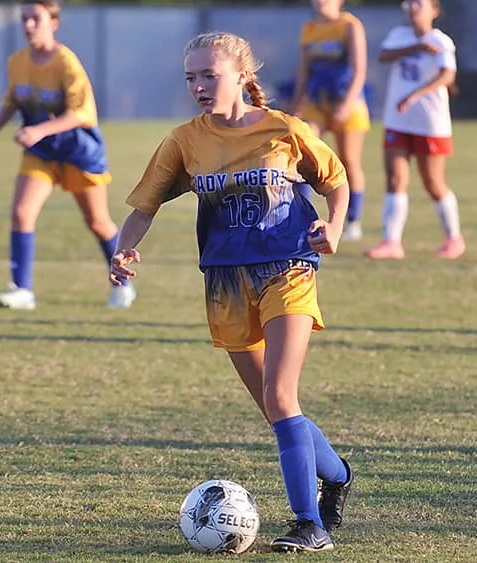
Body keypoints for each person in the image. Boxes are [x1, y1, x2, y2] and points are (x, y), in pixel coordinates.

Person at [109, 31, 353, 553]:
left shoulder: (284, 129)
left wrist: (333, 226)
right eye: (191, 78)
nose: (198, 86)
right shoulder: (184, 140)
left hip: (287, 268)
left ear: (242, 75)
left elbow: (336, 180)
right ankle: (337, 474)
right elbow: (144, 206)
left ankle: (309, 524)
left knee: (280, 395)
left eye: (209, 75)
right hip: (224, 282)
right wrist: (123, 248)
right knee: (277, 409)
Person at [0, 0, 135, 310]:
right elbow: (11, 102)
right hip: (42, 153)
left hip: (78, 150)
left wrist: (39, 131)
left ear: (54, 22)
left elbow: (82, 113)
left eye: (35, 18)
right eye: (24, 19)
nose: (28, 25)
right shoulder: (18, 62)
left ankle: (123, 284)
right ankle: (22, 290)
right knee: (22, 213)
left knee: (98, 222)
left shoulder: (65, 62)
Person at [365, 0, 464, 260]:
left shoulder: (442, 41)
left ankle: (454, 238)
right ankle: (391, 242)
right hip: (398, 119)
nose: (411, 8)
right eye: (408, 4)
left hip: (430, 122)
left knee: (432, 182)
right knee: (395, 179)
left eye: (419, 4)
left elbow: (447, 76)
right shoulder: (400, 36)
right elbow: (384, 55)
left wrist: (415, 95)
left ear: (434, 10)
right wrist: (417, 46)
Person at [292, 0, 369, 241]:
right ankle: (303, 219)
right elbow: (304, 71)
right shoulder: (309, 28)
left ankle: (352, 221)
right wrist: (296, 106)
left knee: (348, 161)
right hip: (317, 102)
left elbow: (359, 69)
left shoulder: (349, 25)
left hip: (348, 102)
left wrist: (346, 104)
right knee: (305, 155)